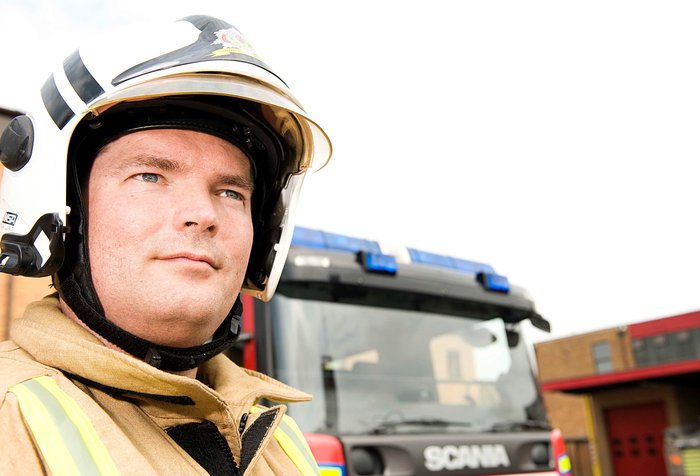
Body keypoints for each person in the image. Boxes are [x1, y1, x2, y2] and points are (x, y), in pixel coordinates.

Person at [0, 14, 331, 475]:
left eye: (231, 192)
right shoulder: (10, 418)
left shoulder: (276, 434)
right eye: (150, 175)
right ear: (62, 211)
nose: (204, 214)